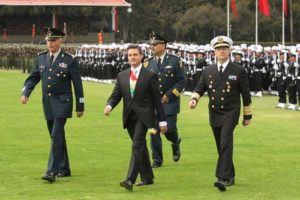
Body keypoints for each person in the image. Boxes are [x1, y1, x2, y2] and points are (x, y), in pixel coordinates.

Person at [20, 27, 84, 183]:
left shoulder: (69, 59)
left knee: (56, 134)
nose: (49, 43)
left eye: (53, 40)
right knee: (57, 136)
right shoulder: (41, 58)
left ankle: (51, 171)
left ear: (60, 41)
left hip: (63, 103)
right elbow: (34, 77)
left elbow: (77, 84)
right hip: (48, 103)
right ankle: (64, 168)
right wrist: (26, 92)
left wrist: (80, 106)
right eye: (48, 40)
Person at [189, 36, 252, 192]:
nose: (221, 51)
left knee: (225, 143)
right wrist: (194, 99)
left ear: (229, 50)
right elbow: (200, 88)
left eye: (224, 48)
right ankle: (230, 175)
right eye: (218, 49)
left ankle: (222, 178)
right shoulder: (208, 70)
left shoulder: (238, 70)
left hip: (231, 112)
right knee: (221, 145)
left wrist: (247, 116)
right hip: (215, 111)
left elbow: (246, 94)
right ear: (214, 52)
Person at [104, 44, 167, 191]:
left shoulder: (150, 75)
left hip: (144, 118)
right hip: (129, 117)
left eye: (135, 55)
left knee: (136, 145)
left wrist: (163, 121)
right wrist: (109, 105)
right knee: (141, 147)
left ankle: (129, 179)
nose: (132, 57)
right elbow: (116, 95)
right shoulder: (122, 75)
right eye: (130, 55)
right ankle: (147, 177)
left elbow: (157, 101)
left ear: (141, 56)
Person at [145, 32, 185, 168]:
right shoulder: (147, 63)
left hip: (170, 103)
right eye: (151, 45)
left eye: (155, 44)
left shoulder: (175, 61)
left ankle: (175, 142)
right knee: (154, 132)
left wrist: (169, 95)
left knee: (169, 129)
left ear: (163, 45)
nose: (152, 47)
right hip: (153, 104)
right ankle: (157, 160)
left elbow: (181, 82)